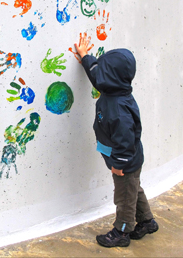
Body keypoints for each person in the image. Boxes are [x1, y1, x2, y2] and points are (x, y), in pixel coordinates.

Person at [74, 32, 159, 248]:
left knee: (123, 198)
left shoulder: (120, 110)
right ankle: (147, 221)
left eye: (103, 70)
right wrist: (85, 57)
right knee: (133, 190)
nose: (98, 74)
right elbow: (96, 74)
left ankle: (122, 231)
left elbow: (125, 140)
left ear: (110, 77)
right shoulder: (111, 87)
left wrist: (119, 164)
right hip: (124, 159)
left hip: (125, 161)